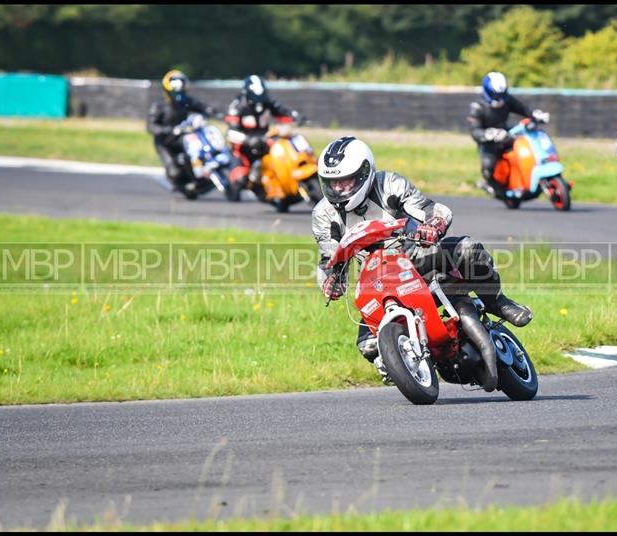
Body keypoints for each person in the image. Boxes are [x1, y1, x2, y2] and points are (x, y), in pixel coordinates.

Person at [311, 136, 533, 389]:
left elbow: (431, 209)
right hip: (374, 275)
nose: (338, 190)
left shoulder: (389, 184)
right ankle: (405, 361)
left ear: (364, 173)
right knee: (368, 346)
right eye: (332, 183)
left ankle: (498, 302)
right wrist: (330, 282)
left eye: (345, 181)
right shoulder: (323, 213)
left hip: (416, 255)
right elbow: (329, 258)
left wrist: (433, 225)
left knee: (469, 250)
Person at [467, 71, 550, 199]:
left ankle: (531, 177)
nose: (499, 98)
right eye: (495, 94)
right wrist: (489, 134)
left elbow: (523, 109)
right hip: (488, 142)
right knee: (488, 166)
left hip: (506, 134)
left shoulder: (507, 99)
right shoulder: (477, 107)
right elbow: (475, 131)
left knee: (528, 143)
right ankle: (492, 187)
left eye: (501, 94)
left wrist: (536, 115)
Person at [224, 74, 305, 198]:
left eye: (261, 96)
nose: (259, 100)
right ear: (247, 93)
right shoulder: (237, 107)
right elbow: (230, 133)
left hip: (265, 139)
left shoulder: (267, 102)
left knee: (284, 148)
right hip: (243, 147)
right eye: (255, 96)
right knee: (240, 180)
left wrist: (296, 117)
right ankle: (246, 183)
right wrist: (248, 139)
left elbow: (283, 111)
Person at [146, 69, 220, 190]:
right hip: (165, 142)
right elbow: (151, 126)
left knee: (197, 148)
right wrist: (169, 130)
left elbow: (203, 108)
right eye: (175, 93)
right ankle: (178, 183)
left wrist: (215, 113)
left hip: (182, 138)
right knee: (174, 172)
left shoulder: (187, 101)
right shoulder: (158, 106)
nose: (178, 97)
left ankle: (202, 174)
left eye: (181, 93)